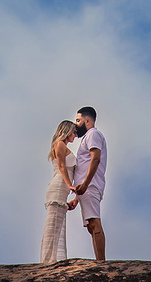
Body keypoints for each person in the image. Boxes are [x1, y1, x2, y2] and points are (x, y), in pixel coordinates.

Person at [40, 120, 79, 263]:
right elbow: (62, 166)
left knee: (56, 227)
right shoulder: (60, 144)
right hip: (58, 186)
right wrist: (70, 186)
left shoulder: (62, 146)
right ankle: (47, 262)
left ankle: (52, 260)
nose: (75, 135)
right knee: (52, 227)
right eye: (74, 132)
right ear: (67, 131)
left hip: (61, 189)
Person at [72, 106, 107, 261]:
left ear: (87, 121)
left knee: (94, 222)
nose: (76, 124)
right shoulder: (88, 137)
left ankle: (101, 262)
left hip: (90, 185)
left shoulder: (93, 134)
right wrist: (76, 198)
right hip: (86, 187)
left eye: (78, 121)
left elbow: (95, 159)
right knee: (91, 226)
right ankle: (99, 260)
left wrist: (85, 184)